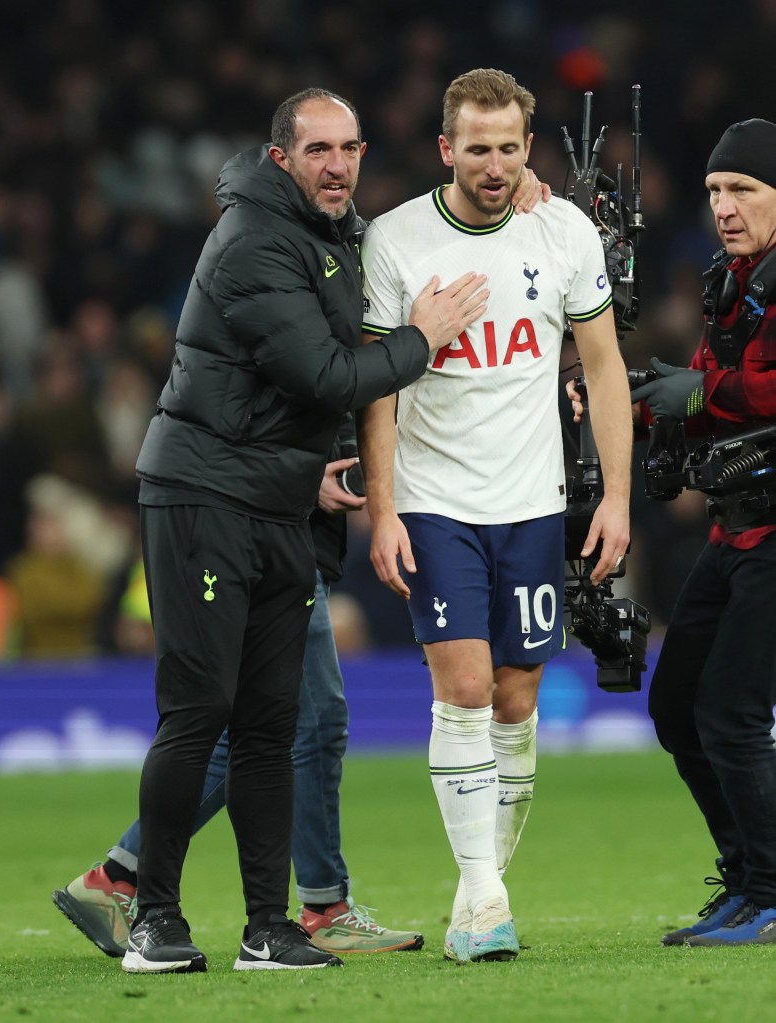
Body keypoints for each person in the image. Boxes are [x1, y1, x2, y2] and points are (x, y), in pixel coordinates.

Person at [116, 85, 496, 975]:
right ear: (280, 157)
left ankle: (265, 928)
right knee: (200, 714)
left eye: (351, 149)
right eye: (319, 150)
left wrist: (519, 203)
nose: (338, 166)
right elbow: (325, 373)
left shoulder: (331, 236)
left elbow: (285, 389)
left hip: (277, 499)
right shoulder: (253, 240)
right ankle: (154, 920)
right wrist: (423, 335)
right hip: (202, 502)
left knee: (269, 723)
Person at [356, 68, 632, 964]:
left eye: (511, 147)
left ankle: (481, 888)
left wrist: (618, 496)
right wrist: (385, 509)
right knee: (465, 689)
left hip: (533, 505)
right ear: (446, 148)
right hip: (437, 503)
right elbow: (378, 391)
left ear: (528, 146)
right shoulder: (396, 240)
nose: (496, 165)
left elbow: (605, 369)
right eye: (478, 148)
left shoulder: (563, 231)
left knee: (517, 700)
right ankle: (483, 899)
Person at [52, 448, 426, 958]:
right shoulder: (283, 373)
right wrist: (301, 472)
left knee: (253, 728)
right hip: (272, 527)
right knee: (309, 722)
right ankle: (323, 908)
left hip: (273, 525)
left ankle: (116, 877)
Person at [624, 118, 776, 946]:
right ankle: (748, 882)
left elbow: (748, 392)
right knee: (679, 704)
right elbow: (715, 389)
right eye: (717, 190)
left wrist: (693, 395)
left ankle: (773, 890)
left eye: (745, 188)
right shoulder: (734, 280)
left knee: (729, 710)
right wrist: (656, 404)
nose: (725, 204)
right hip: (737, 528)